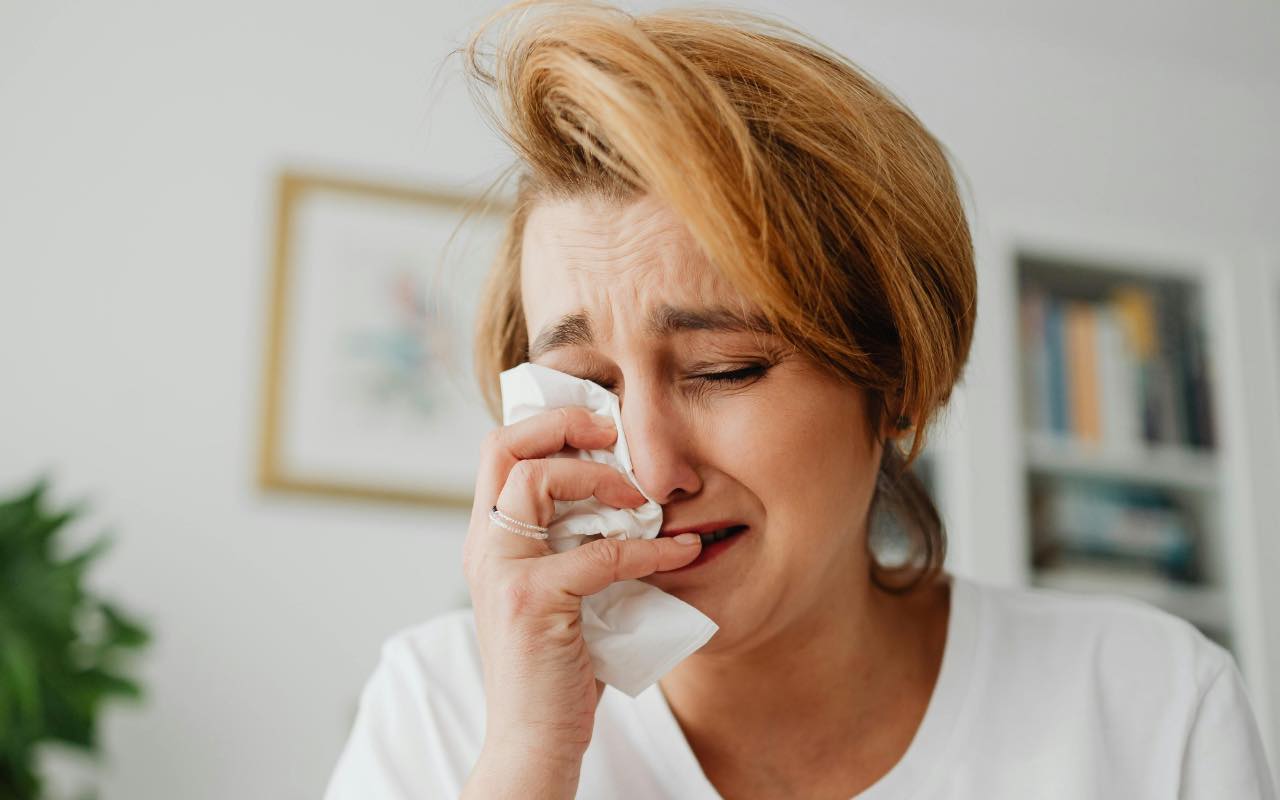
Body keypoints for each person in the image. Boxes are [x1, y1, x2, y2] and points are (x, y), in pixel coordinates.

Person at [324, 2, 1278, 797]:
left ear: (896, 382)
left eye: (726, 369)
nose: (651, 472)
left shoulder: (1150, 708)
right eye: (590, 386)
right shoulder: (439, 707)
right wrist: (528, 761)